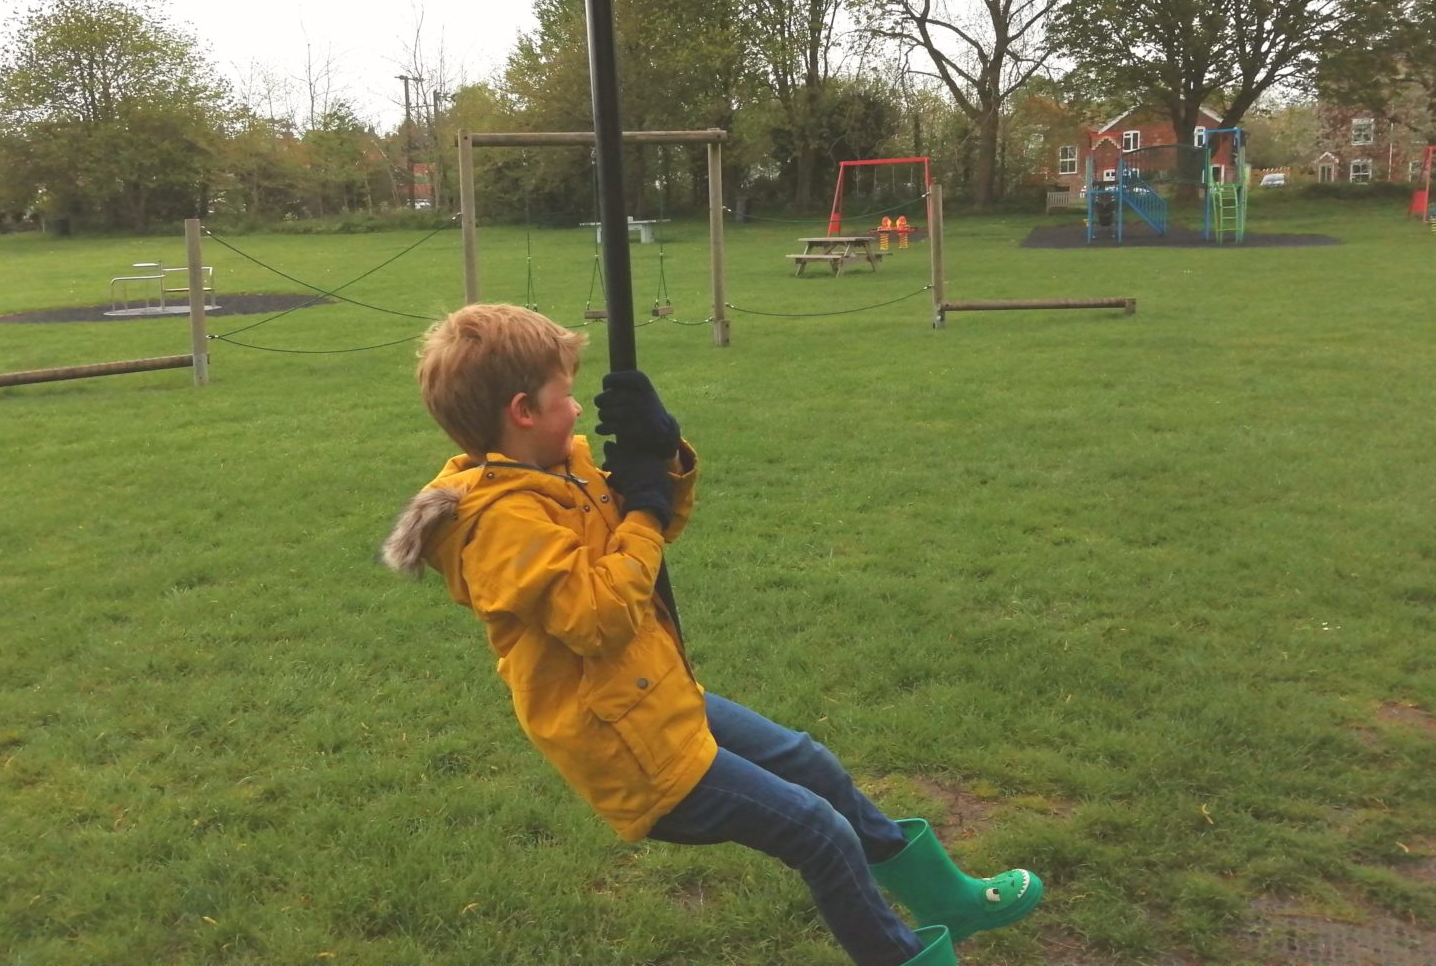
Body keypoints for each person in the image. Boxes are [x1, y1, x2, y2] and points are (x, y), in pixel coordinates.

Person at [381, 304, 1042, 966]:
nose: (579, 411)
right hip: (628, 746)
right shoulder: (499, 525)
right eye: (567, 394)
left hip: (656, 696)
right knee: (819, 833)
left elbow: (653, 532)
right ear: (524, 410)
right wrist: (640, 507)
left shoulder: (561, 471)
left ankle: (942, 897)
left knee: (814, 765)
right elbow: (599, 616)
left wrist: (662, 454)